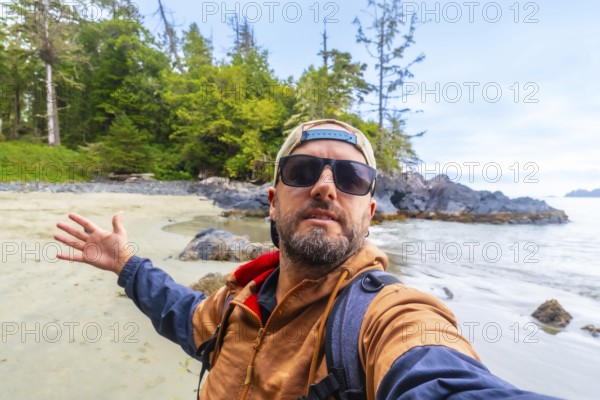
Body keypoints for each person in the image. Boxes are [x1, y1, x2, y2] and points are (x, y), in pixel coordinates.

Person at [55, 119, 557, 399]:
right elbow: (185, 317)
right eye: (303, 170)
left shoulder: (383, 318)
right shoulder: (238, 300)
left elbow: (440, 377)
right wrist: (128, 264)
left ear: (371, 211)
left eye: (351, 179)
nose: (323, 186)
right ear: (273, 201)